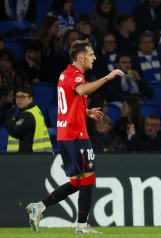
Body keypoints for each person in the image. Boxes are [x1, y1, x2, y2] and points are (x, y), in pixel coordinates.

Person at [25, 39, 124, 234]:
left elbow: (68, 102)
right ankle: (82, 226)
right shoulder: (76, 76)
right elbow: (80, 90)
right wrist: (107, 78)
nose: (94, 58)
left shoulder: (66, 75)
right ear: (81, 58)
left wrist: (85, 112)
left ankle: (40, 207)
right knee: (88, 178)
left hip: (68, 133)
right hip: (75, 134)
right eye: (91, 54)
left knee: (77, 182)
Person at [5, 86, 52, 153]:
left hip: (30, 157)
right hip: (39, 155)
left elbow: (14, 131)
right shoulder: (36, 110)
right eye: (17, 97)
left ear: (30, 99)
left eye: (23, 97)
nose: (19, 99)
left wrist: (8, 118)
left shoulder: (28, 115)